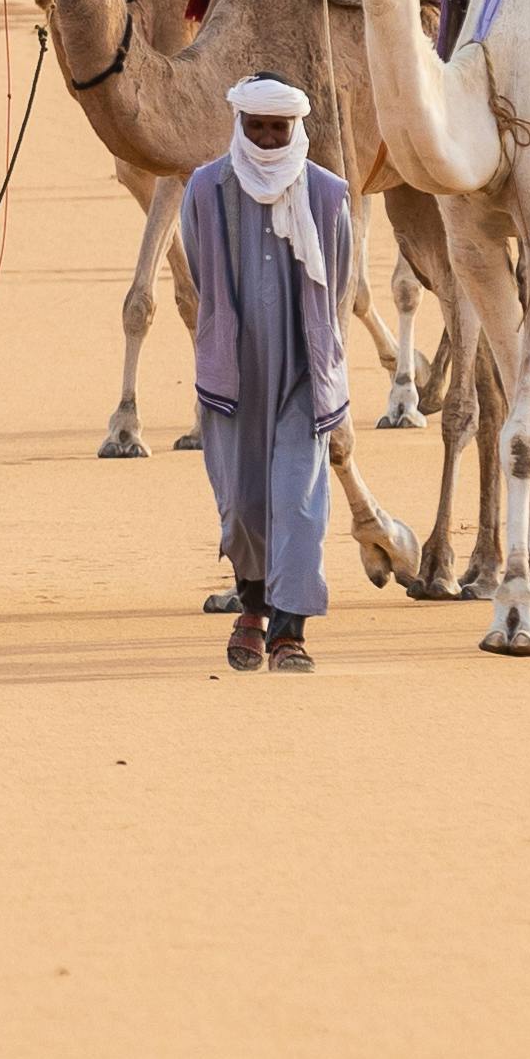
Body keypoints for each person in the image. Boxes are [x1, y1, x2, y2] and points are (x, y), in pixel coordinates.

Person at [181, 71, 352, 673]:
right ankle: (251, 609)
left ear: (295, 126)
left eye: (279, 127)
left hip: (304, 374)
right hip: (235, 372)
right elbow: (201, 268)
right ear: (240, 124)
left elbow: (341, 283)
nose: (269, 138)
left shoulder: (328, 195)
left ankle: (289, 632)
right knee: (244, 504)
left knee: (299, 504)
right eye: (257, 127)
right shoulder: (206, 188)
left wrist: (325, 362)